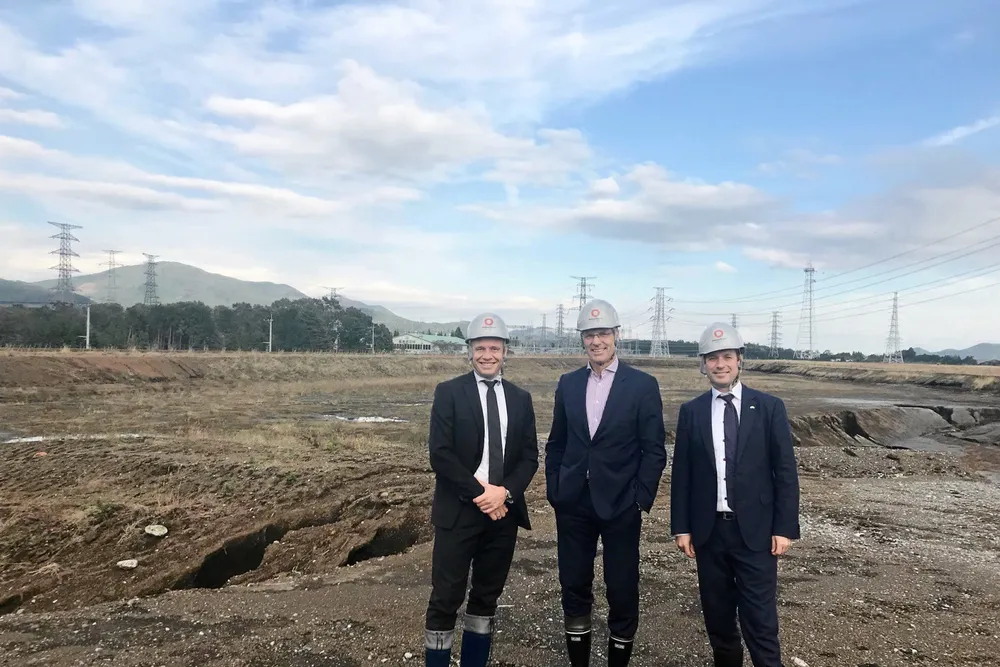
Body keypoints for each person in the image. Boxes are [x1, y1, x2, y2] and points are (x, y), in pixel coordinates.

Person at [669, 322, 800, 667]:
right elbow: (682, 474)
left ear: (740, 360)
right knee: (719, 619)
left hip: (756, 534)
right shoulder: (691, 411)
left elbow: (785, 472)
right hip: (709, 534)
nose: (720, 364)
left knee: (760, 621)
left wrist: (784, 528)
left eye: (727, 356)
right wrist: (682, 527)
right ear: (703, 364)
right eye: (712, 358)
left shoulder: (769, 407)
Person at [545, 299, 667, 667]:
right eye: (589, 335)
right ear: (582, 339)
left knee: (622, 587)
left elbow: (654, 450)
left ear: (616, 335)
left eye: (603, 333)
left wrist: (640, 498)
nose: (596, 341)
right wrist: (555, 490)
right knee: (573, 585)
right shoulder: (568, 384)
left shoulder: (642, 385)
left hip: (621, 504)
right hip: (573, 503)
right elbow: (557, 443)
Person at [423, 312, 539, 667]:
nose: (487, 355)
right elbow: (440, 455)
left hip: (502, 516)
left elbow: (530, 457)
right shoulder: (449, 392)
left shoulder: (520, 398)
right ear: (469, 351)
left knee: (486, 599)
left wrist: (504, 493)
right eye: (480, 348)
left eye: (494, 348)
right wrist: (482, 494)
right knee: (445, 598)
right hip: (459, 512)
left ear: (506, 351)